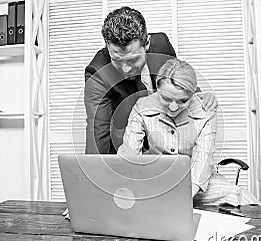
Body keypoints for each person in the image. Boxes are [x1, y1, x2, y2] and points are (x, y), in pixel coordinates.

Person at [84, 6, 218, 154]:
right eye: (116, 60)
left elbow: (177, 79)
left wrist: (197, 96)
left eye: (132, 60)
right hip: (127, 143)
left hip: (165, 140)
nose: (126, 69)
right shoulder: (97, 73)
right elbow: (97, 131)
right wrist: (93, 172)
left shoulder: (161, 45)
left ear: (147, 43)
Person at [118, 58, 216, 197]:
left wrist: (183, 198)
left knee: (236, 196)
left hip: (194, 185)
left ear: (193, 94)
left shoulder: (206, 110)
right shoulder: (142, 106)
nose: (173, 107)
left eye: (183, 101)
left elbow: (202, 163)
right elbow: (129, 156)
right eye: (166, 98)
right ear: (158, 89)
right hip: (154, 180)